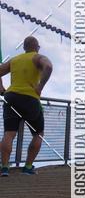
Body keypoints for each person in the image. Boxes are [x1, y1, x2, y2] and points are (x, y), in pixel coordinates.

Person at [0, 36, 53, 176]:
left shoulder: (14, 60)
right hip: (30, 98)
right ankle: (28, 167)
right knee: (38, 134)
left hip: (11, 97)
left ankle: (4, 168)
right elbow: (48, 66)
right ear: (37, 47)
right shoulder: (37, 57)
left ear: (24, 48)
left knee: (9, 133)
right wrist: (40, 86)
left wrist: (1, 87)